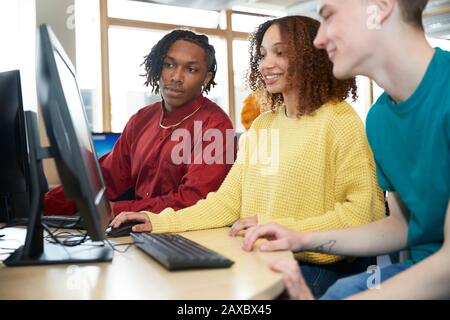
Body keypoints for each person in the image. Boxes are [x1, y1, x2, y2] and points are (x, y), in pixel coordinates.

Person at [111, 16, 386, 298]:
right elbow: (227, 202)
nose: (266, 63)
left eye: (280, 52)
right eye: (263, 54)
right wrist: (156, 220)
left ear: (309, 55)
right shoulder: (263, 125)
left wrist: (281, 228)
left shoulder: (340, 120)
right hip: (259, 253)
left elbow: (360, 216)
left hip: (311, 263)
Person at [242, 0, 450, 300]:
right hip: (421, 267)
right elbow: (403, 224)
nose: (318, 39)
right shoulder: (380, 119)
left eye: (328, 16)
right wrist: (300, 237)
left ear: (380, 7)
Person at [44, 29, 236, 217]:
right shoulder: (141, 119)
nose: (176, 77)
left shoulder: (216, 127)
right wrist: (41, 205)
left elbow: (194, 201)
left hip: (188, 236)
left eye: (191, 69)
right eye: (169, 65)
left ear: (206, 77)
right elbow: (106, 178)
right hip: (140, 231)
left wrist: (117, 210)